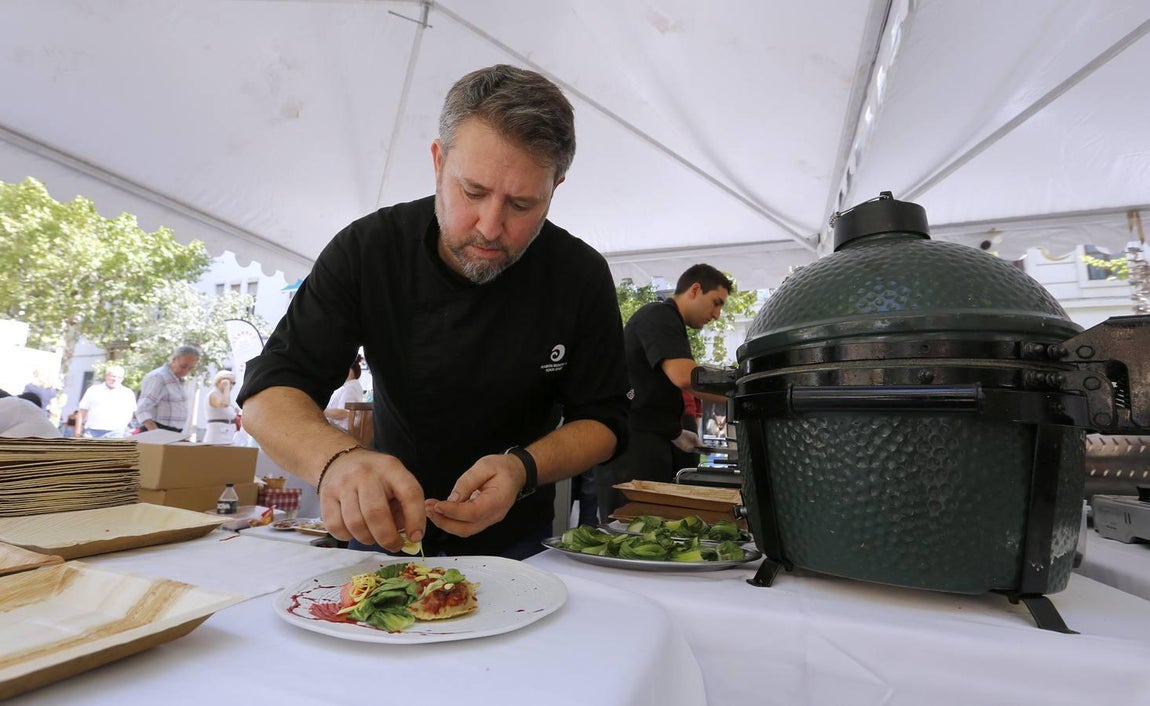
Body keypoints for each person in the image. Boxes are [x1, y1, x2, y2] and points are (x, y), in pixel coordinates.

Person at [238, 64, 629, 560]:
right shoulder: (369, 249)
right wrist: (337, 459)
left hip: (521, 543)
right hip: (382, 529)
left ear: (557, 188)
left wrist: (521, 468)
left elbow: (606, 419)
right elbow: (269, 393)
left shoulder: (579, 274)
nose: (490, 227)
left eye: (522, 204)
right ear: (439, 161)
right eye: (473, 192)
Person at [597, 264, 733, 520]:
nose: (716, 314)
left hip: (648, 440)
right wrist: (740, 384)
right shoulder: (659, 315)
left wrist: (675, 433)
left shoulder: (670, 323)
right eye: (716, 303)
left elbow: (652, 391)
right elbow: (686, 376)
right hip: (631, 448)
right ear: (695, 289)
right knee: (630, 532)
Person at [136, 345, 201, 433]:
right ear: (174, 360)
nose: (186, 371)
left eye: (190, 368)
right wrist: (155, 433)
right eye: (183, 366)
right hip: (158, 430)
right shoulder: (158, 377)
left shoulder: (178, 380)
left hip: (173, 432)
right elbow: (142, 409)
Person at [74, 365, 138, 439]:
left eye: (119, 377)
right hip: (92, 432)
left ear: (122, 379)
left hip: (116, 433)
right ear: (106, 376)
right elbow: (82, 411)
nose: (115, 379)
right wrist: (77, 432)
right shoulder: (93, 390)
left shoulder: (128, 393)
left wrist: (123, 428)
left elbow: (130, 413)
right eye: (113, 376)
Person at [323, 355, 365, 431]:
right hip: (338, 429)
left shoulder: (351, 387)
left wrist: (322, 411)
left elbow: (344, 413)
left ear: (351, 371)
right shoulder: (350, 386)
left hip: (341, 431)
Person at [202, 370, 240, 444]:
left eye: (233, 383)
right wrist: (226, 388)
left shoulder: (222, 395)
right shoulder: (213, 394)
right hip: (217, 436)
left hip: (228, 434)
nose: (231, 385)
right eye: (229, 382)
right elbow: (224, 404)